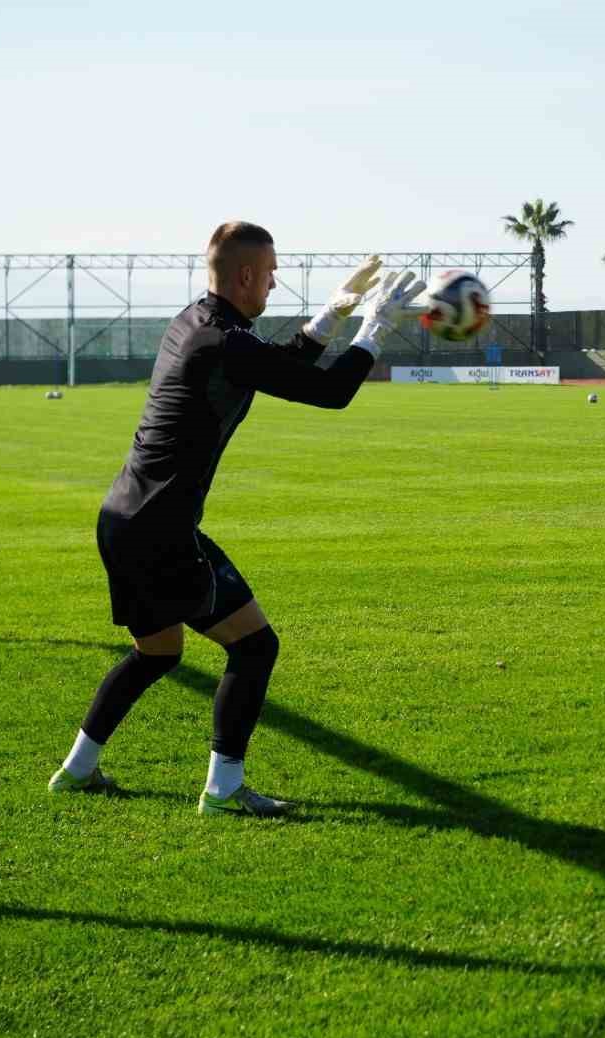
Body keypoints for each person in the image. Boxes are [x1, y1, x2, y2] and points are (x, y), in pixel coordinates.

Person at [49, 222, 423, 815]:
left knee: (158, 654)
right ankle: (224, 789)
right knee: (255, 647)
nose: (275, 282)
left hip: (123, 519)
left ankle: (76, 770)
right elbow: (327, 392)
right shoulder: (225, 343)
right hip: (164, 532)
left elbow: (275, 365)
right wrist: (374, 330)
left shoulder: (194, 324)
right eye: (271, 272)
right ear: (246, 274)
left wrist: (331, 315)